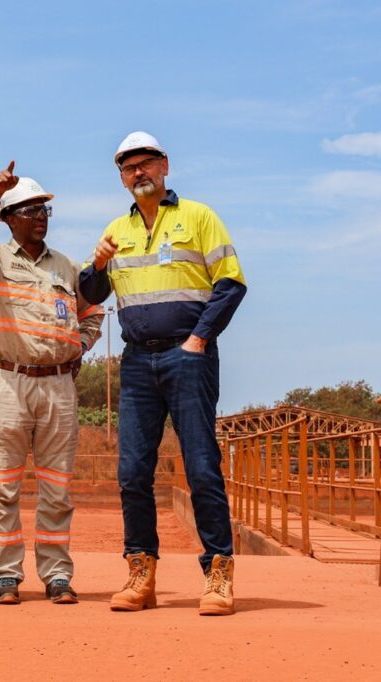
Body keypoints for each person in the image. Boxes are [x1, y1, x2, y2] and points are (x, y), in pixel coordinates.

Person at [79, 131, 246, 616]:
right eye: (128, 168)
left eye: (145, 164)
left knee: (200, 467)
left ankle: (218, 573)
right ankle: (141, 572)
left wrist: (199, 340)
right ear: (121, 178)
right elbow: (91, 295)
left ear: (165, 165)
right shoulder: (117, 229)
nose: (138, 173)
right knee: (132, 472)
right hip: (136, 362)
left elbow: (231, 284)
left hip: (186, 357)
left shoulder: (198, 217)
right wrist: (96, 264)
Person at [0, 162, 104, 605]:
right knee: (3, 485)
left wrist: (80, 344)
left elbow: (94, 309)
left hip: (59, 387)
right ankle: (6, 575)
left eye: (44, 209)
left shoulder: (67, 266)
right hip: (9, 382)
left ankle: (57, 575)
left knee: (56, 487)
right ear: (9, 218)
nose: (40, 216)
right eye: (29, 210)